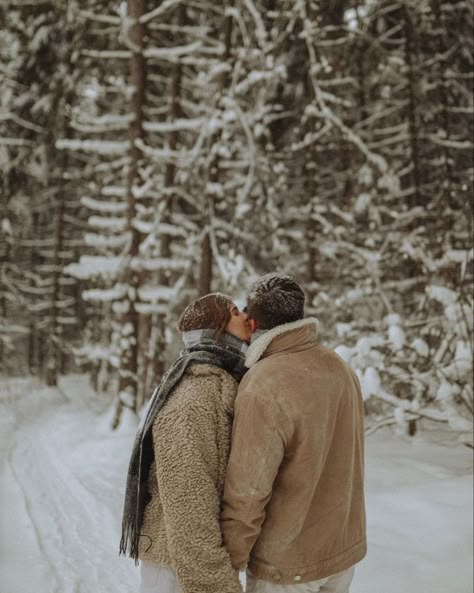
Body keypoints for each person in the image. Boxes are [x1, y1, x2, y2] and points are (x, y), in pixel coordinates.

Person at [221, 273, 366, 593]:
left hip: (285, 567)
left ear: (254, 325)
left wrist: (227, 564)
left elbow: (247, 491)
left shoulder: (263, 383)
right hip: (341, 553)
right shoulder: (340, 368)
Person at [120, 293, 251, 593]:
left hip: (187, 562)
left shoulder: (218, 383)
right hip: (178, 569)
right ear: (216, 329)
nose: (245, 316)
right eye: (234, 312)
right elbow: (189, 502)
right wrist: (214, 583)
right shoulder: (193, 398)